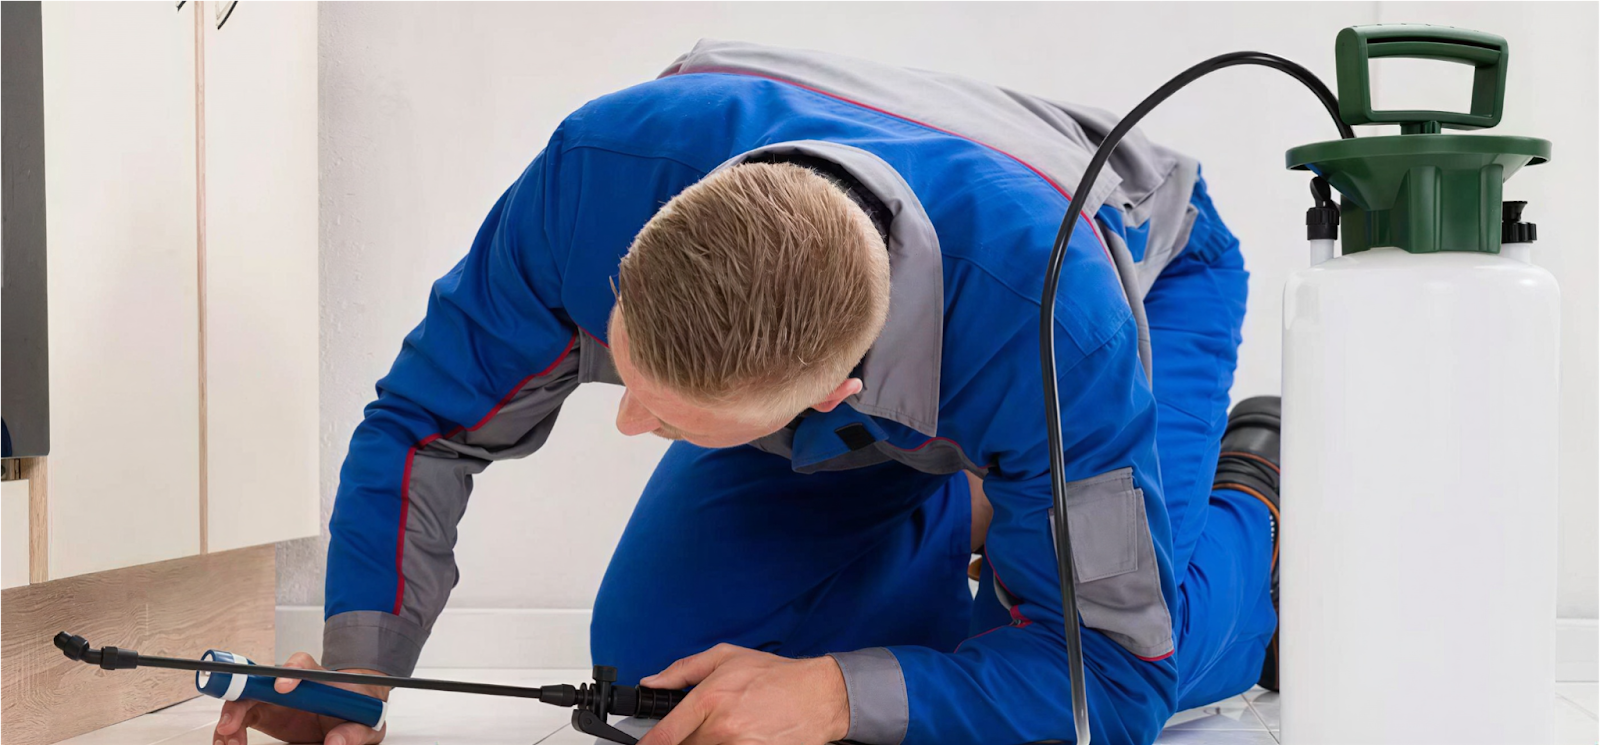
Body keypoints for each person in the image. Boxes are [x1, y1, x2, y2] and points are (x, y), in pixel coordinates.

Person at [213, 40, 1281, 745]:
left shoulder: (1059, 337)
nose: (628, 421)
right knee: (662, 675)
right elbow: (424, 424)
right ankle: (992, 512)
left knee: (1110, 650)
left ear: (835, 397)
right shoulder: (593, 182)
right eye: (626, 371)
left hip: (1144, 273)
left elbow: (1108, 678)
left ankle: (1259, 499)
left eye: (671, 417)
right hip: (924, 327)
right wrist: (360, 669)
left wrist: (831, 695)